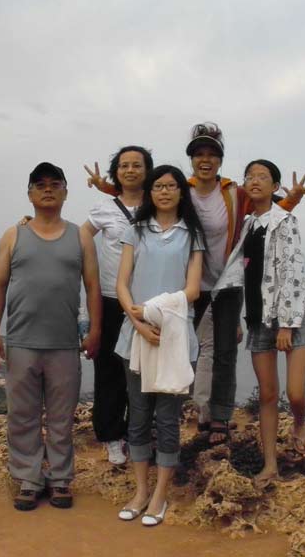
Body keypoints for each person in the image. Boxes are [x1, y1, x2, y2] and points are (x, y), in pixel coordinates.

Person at [89, 122, 305, 444]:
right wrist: (108, 189)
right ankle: (167, 411)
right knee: (171, 345)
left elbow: (267, 209)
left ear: (220, 160)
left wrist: (293, 200)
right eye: (198, 154)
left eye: (212, 154)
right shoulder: (183, 188)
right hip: (187, 285)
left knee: (224, 352)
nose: (205, 160)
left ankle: (219, 416)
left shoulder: (234, 193)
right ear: (191, 159)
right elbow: (150, 195)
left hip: (226, 282)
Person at [0, 162, 101, 511]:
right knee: (23, 414)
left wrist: (95, 330)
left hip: (64, 343)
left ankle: (61, 478)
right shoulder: (13, 235)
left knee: (62, 416)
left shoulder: (80, 236)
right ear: (30, 194)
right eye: (40, 184)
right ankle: (29, 479)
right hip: (21, 341)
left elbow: (92, 286)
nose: (47, 189)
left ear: (66, 191)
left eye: (54, 184)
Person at [212, 160, 305, 487]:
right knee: (267, 395)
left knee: (295, 393)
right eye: (250, 176)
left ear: (275, 186)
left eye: (263, 177)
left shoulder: (285, 221)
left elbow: (292, 271)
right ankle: (270, 465)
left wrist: (286, 325)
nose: (254, 181)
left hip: (293, 317)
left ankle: (299, 424)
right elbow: (239, 275)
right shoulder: (246, 225)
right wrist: (237, 317)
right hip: (258, 319)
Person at [114, 165, 205, 526]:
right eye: (158, 186)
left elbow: (193, 290)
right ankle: (140, 492)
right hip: (135, 336)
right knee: (137, 416)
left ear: (182, 192)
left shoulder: (192, 234)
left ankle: (160, 495)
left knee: (167, 420)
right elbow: (122, 284)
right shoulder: (135, 230)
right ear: (150, 192)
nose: (164, 191)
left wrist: (154, 312)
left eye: (171, 186)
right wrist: (139, 323)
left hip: (175, 338)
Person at [81, 146, 153, 465]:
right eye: (124, 165)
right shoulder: (104, 209)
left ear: (147, 171)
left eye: (137, 165)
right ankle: (111, 435)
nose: (130, 170)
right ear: (116, 172)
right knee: (110, 370)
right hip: (111, 299)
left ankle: (138, 433)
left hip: (147, 301)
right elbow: (82, 236)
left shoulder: (158, 204)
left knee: (143, 370)